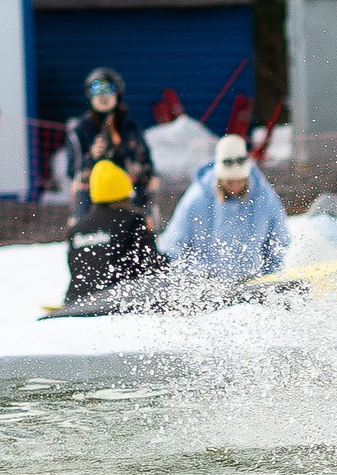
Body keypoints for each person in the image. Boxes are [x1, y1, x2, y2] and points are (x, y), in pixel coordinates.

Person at [158, 135, 290, 281]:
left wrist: (270, 277)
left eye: (239, 181)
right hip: (208, 285)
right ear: (219, 178)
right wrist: (191, 279)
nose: (235, 186)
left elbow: (278, 241)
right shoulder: (197, 199)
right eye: (229, 182)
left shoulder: (264, 198)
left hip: (252, 281)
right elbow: (174, 245)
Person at [64, 160, 166, 305]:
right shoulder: (133, 220)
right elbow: (150, 265)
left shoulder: (77, 229)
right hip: (119, 300)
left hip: (77, 300)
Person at [63, 69, 153, 221]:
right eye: (97, 89)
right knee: (81, 184)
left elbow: (146, 164)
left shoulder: (129, 126)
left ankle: (140, 228)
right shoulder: (79, 129)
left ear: (117, 93)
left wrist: (130, 160)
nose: (102, 96)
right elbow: (73, 170)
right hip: (92, 197)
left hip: (126, 194)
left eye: (108, 89)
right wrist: (91, 157)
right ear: (89, 94)